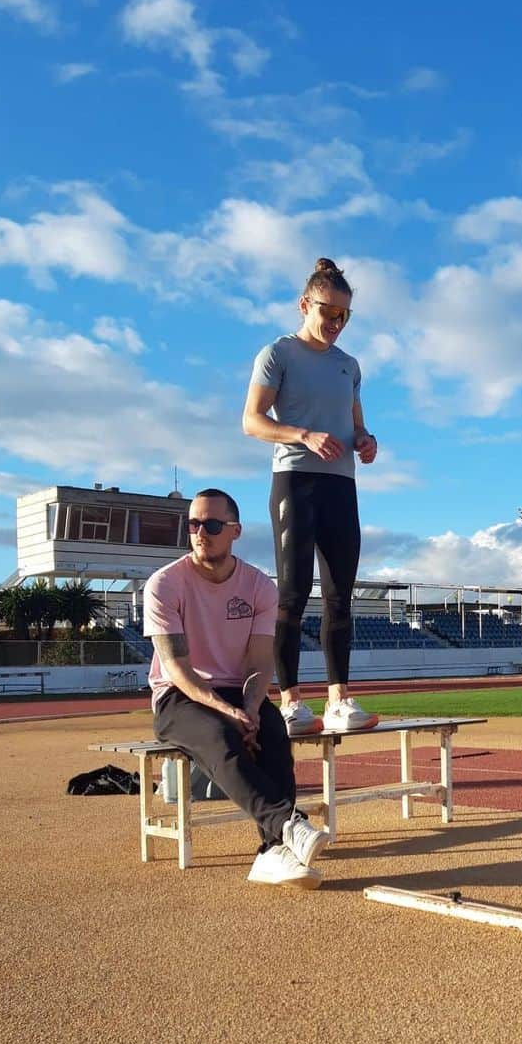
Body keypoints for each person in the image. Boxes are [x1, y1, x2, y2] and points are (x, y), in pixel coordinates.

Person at [143, 488, 329, 888]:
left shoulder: (260, 586)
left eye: (210, 524)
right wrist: (230, 714)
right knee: (218, 735)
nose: (199, 533)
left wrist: (249, 707)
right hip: (179, 696)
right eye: (193, 524)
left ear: (235, 531)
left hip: (237, 688)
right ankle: (287, 827)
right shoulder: (163, 585)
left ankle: (270, 852)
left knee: (275, 733)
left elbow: (261, 663)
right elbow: (176, 669)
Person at [242, 257, 380, 737]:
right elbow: (252, 421)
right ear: (306, 304)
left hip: (341, 486)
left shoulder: (349, 366)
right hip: (296, 481)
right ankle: (291, 703)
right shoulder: (277, 353)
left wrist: (366, 441)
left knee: (342, 596)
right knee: (293, 594)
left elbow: (357, 423)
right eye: (328, 312)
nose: (336, 324)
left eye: (345, 316)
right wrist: (302, 434)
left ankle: (339, 699)